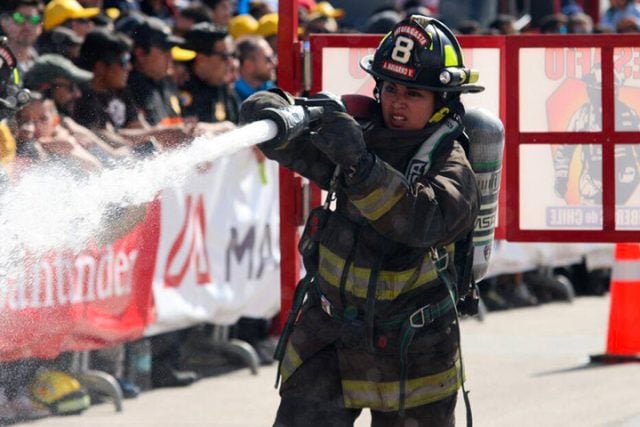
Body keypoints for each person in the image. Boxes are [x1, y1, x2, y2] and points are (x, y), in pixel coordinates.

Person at [240, 15, 482, 426]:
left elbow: (419, 221)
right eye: (390, 88)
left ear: (442, 100)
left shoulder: (451, 165)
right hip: (330, 334)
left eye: (414, 93)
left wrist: (358, 162)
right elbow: (290, 148)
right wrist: (271, 110)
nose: (397, 103)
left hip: (413, 349)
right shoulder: (363, 134)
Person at [0, 0, 44, 73]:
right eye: (19, 18)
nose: (27, 25)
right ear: (4, 23)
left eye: (34, 19)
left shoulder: (42, 66)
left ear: (40, 27)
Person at [233, 35, 276, 101]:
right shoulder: (232, 96)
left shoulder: (269, 89)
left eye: (273, 56)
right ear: (248, 64)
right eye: (268, 59)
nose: (274, 63)